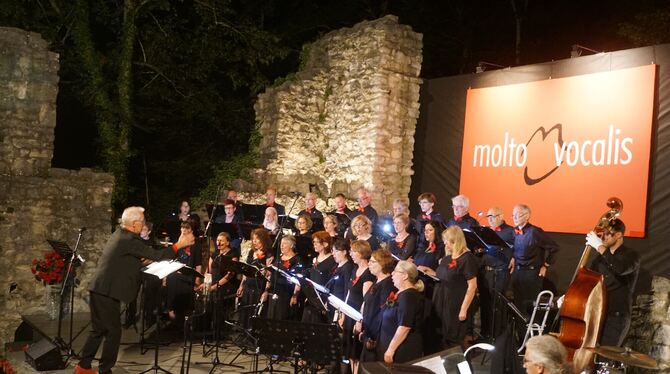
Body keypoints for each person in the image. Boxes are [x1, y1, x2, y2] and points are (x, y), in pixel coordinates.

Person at [75, 207, 195, 374]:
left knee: (99, 329)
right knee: (113, 332)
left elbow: (126, 261)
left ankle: (83, 366)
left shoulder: (121, 234)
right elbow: (157, 255)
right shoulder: (128, 239)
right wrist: (179, 245)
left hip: (100, 288)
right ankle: (104, 370)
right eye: (143, 221)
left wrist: (144, 262)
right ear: (135, 224)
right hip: (106, 291)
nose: (144, 224)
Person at [585, 218, 640, 347]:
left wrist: (600, 247)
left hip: (616, 316)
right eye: (601, 234)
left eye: (607, 233)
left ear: (619, 234)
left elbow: (620, 269)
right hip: (597, 313)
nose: (602, 237)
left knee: (606, 356)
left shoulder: (631, 255)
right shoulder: (600, 259)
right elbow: (588, 281)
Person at [425, 226, 478, 348]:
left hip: (455, 305)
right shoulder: (447, 257)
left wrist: (463, 309)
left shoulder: (467, 259)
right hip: (441, 301)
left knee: (454, 341)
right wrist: (430, 272)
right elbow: (443, 276)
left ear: (455, 240)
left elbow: (472, 286)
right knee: (441, 339)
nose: (445, 243)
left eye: (447, 241)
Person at [510, 204, 559, 315]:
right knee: (518, 307)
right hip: (517, 273)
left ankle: (532, 331)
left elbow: (554, 248)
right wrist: (513, 258)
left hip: (531, 274)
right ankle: (521, 332)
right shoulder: (515, 231)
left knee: (530, 307)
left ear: (527, 216)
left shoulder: (535, 232)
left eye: (517, 215)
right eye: (513, 215)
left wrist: (545, 265)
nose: (514, 218)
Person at [378, 260, 425, 364]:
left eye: (395, 271)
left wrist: (391, 349)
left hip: (402, 350)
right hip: (388, 345)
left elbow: (405, 326)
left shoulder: (409, 296)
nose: (392, 274)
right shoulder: (400, 293)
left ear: (405, 276)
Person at [479, 206, 515, 339]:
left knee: (497, 304)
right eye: (488, 217)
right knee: (485, 303)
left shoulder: (510, 231)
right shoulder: (486, 231)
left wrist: (514, 257)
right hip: (485, 271)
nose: (490, 219)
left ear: (501, 216)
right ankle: (485, 333)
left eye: (492, 216)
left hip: (500, 272)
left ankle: (497, 335)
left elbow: (518, 247)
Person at [342, 241, 375, 374]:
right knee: (349, 349)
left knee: (355, 350)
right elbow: (349, 292)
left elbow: (365, 301)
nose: (350, 254)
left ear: (361, 253)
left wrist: (359, 320)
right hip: (349, 311)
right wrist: (343, 314)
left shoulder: (368, 273)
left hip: (357, 314)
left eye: (353, 252)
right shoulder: (355, 269)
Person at [358, 249, 397, 363]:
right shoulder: (377, 281)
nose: (369, 264)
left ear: (383, 263)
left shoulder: (388, 285)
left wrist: (372, 336)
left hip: (377, 338)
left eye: (373, 262)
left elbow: (383, 313)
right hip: (368, 331)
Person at [165, 220, 203, 321]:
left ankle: (184, 321)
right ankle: (172, 314)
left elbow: (198, 263)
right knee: (171, 279)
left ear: (191, 230)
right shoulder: (178, 242)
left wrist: (197, 281)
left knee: (186, 301)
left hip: (188, 276)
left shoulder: (197, 244)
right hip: (176, 274)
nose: (184, 230)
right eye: (182, 228)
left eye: (187, 228)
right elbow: (171, 259)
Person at [236, 228, 274, 328]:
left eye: (257, 239)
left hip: (259, 286)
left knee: (255, 311)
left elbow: (269, 275)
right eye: (253, 239)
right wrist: (241, 286)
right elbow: (245, 271)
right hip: (248, 285)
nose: (254, 241)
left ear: (263, 239)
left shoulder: (269, 253)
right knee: (246, 310)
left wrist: (266, 290)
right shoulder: (250, 252)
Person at [207, 232, 240, 337]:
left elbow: (230, 275)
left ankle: (220, 331)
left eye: (221, 240)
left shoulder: (233, 254)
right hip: (214, 282)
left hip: (226, 285)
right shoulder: (215, 254)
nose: (218, 242)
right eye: (217, 240)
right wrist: (206, 283)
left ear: (228, 242)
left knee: (218, 295)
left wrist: (215, 286)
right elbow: (208, 271)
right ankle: (210, 328)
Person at [300, 231, 337, 323]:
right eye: (314, 242)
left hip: (322, 300)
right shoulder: (315, 258)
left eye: (317, 242)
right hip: (311, 298)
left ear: (325, 244)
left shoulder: (332, 260)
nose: (314, 244)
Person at [266, 235, 303, 321]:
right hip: (274, 291)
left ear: (291, 246)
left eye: (284, 243)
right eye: (281, 243)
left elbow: (298, 280)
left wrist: (295, 295)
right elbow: (270, 274)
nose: (281, 246)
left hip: (286, 294)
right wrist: (266, 290)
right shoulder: (278, 258)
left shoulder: (297, 260)